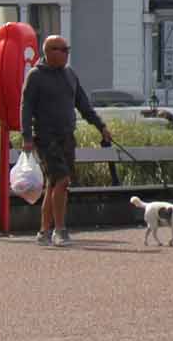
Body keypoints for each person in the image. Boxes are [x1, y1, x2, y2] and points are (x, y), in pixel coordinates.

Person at [19, 34, 112, 247]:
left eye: (67, 49)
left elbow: (83, 104)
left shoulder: (70, 74)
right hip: (45, 137)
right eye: (62, 50)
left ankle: (44, 231)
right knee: (61, 180)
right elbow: (25, 108)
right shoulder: (35, 76)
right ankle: (60, 230)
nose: (66, 53)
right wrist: (26, 137)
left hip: (66, 136)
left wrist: (101, 127)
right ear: (49, 52)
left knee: (55, 185)